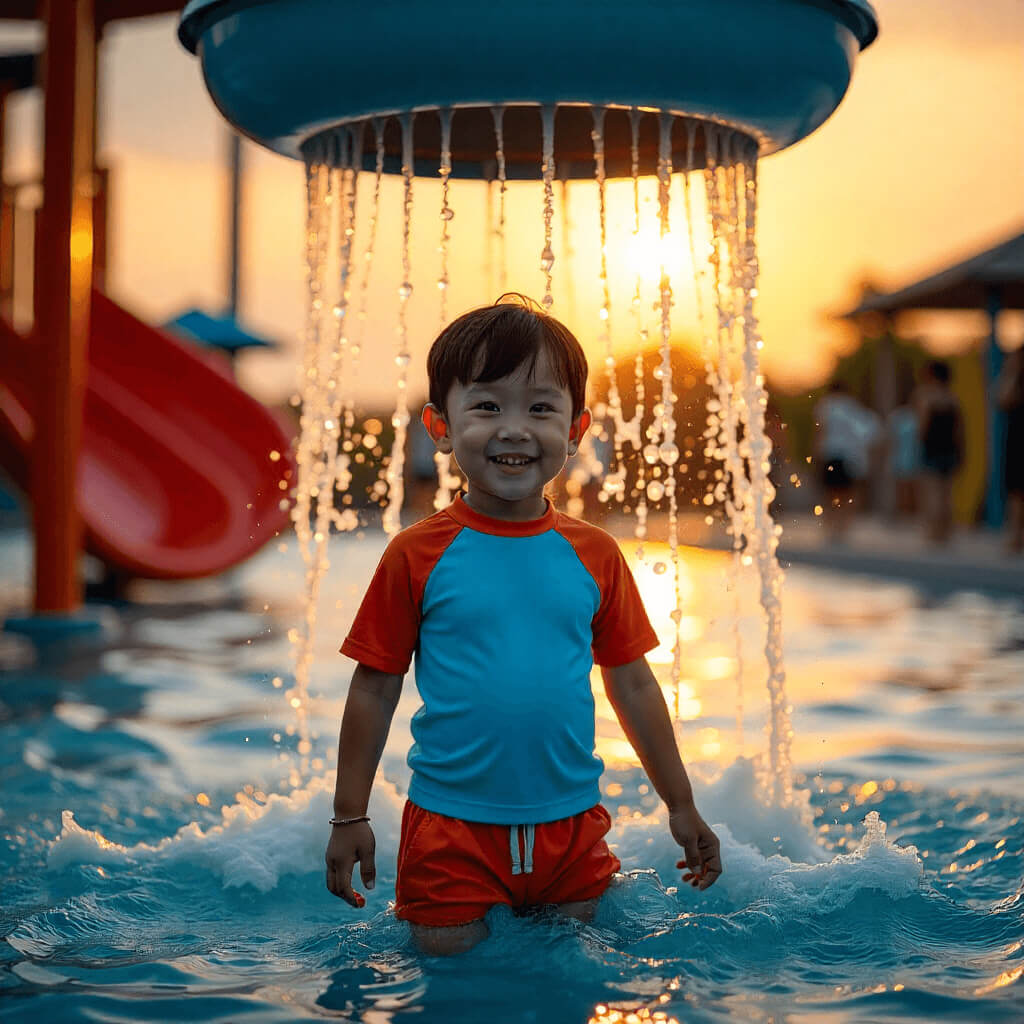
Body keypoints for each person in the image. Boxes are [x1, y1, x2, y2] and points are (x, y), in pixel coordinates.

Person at [325, 295, 721, 956]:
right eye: (486, 406)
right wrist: (349, 815)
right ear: (440, 427)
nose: (515, 429)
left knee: (571, 983)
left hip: (570, 829)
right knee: (451, 989)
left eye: (541, 408)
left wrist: (680, 804)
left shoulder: (594, 554)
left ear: (576, 431)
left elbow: (634, 685)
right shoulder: (416, 554)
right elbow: (373, 688)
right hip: (451, 830)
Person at [813, 380, 880, 539]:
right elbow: (870, 431)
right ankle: (844, 525)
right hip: (850, 457)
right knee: (847, 492)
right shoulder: (854, 407)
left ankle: (830, 525)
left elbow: (821, 431)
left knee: (830, 492)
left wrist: (816, 453)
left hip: (831, 453)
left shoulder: (826, 406)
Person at [914, 360, 964, 545]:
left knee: (932, 491)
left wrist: (919, 443)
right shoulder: (952, 398)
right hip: (950, 449)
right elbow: (959, 429)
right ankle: (946, 532)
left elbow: (923, 425)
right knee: (946, 493)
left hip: (932, 448)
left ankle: (933, 533)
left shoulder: (926, 397)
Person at [996, 347, 1024, 554]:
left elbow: (1002, 398)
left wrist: (1010, 372)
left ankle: (1015, 538)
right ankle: (1015, 537)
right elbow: (1001, 399)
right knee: (1016, 490)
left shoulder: (1013, 380)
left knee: (1016, 491)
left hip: (1018, 439)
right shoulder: (1016, 381)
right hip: (1017, 439)